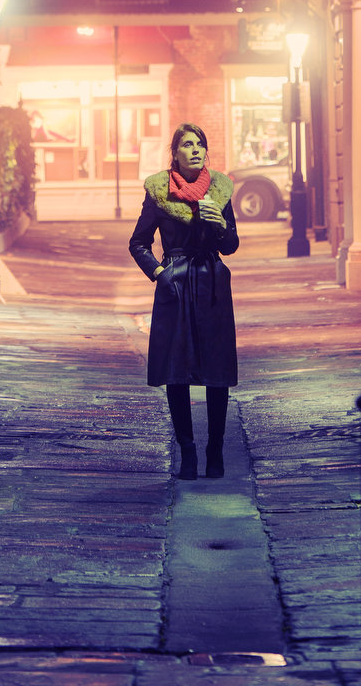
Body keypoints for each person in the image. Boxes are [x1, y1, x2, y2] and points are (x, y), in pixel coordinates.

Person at [128, 122, 239, 479]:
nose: (195, 149)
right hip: (175, 284)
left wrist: (220, 224)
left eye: (200, 144)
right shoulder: (159, 190)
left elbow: (231, 247)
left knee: (217, 372)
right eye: (187, 144)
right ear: (174, 152)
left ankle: (215, 453)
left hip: (212, 286)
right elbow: (138, 243)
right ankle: (188, 454)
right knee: (176, 373)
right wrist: (159, 273)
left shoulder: (220, 189)